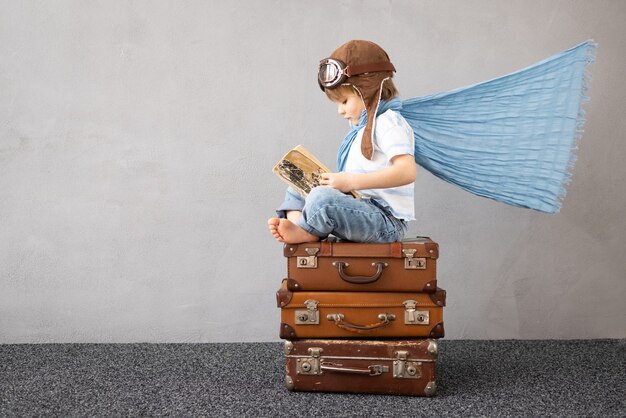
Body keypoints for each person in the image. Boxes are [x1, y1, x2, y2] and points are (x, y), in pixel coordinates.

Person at [268, 40, 416, 244]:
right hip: (360, 207)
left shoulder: (389, 122)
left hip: (385, 222)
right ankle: (299, 223)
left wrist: (350, 182)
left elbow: (407, 172)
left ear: (368, 91)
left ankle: (306, 231)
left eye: (344, 101)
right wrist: (340, 183)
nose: (340, 110)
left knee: (322, 198)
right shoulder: (362, 129)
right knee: (298, 179)